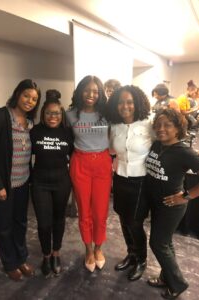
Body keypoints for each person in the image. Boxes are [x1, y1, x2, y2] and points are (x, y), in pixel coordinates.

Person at [0, 79, 41, 281]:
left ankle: (21, 258)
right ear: (17, 94)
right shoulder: (0, 117)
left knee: (21, 223)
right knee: (5, 226)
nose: (29, 101)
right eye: (26, 96)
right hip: (3, 187)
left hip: (23, 183)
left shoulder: (31, 123)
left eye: (34, 99)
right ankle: (9, 263)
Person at [145, 108, 199, 299]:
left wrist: (184, 196)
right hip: (156, 203)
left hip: (171, 205)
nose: (161, 128)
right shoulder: (157, 145)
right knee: (166, 243)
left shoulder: (184, 151)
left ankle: (178, 284)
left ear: (178, 128)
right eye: (158, 124)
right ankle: (166, 277)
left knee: (157, 243)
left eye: (168, 125)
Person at [66, 75, 112, 273]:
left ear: (100, 93)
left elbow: (113, 137)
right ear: (80, 92)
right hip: (80, 163)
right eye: (87, 90)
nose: (91, 94)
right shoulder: (70, 114)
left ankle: (99, 247)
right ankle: (88, 249)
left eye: (95, 91)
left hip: (102, 163)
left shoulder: (107, 114)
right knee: (84, 210)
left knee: (100, 210)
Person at [106, 85, 153, 281]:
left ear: (137, 103)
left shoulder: (149, 124)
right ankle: (131, 254)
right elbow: (110, 151)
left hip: (141, 180)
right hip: (120, 178)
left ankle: (141, 259)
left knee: (135, 222)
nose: (125, 106)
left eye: (129, 102)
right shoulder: (114, 126)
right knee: (123, 220)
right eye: (121, 103)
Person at [30, 90, 73, 277]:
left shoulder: (67, 132)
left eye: (56, 113)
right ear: (43, 114)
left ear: (61, 114)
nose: (53, 117)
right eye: (49, 113)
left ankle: (56, 253)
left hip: (62, 181)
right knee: (44, 223)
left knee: (58, 219)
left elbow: (75, 156)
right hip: (40, 182)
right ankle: (46, 255)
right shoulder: (35, 131)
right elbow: (23, 155)